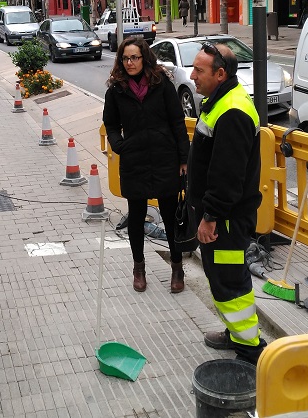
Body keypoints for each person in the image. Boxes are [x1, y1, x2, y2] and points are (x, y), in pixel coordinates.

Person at [187, 43, 266, 364]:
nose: (192, 76)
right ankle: (237, 334)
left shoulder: (232, 111)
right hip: (223, 216)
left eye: (199, 70)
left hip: (226, 220)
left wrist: (211, 216)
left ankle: (250, 350)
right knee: (222, 275)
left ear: (220, 74)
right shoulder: (222, 101)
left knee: (229, 282)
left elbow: (227, 175)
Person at [103, 38, 189, 293]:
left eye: (134, 58)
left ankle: (177, 268)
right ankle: (138, 268)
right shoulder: (116, 90)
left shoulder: (162, 84)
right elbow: (110, 124)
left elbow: (177, 122)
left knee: (171, 217)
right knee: (136, 216)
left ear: (144, 59)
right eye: (125, 58)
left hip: (165, 158)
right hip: (135, 160)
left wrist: (183, 158)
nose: (129, 63)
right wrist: (119, 145)